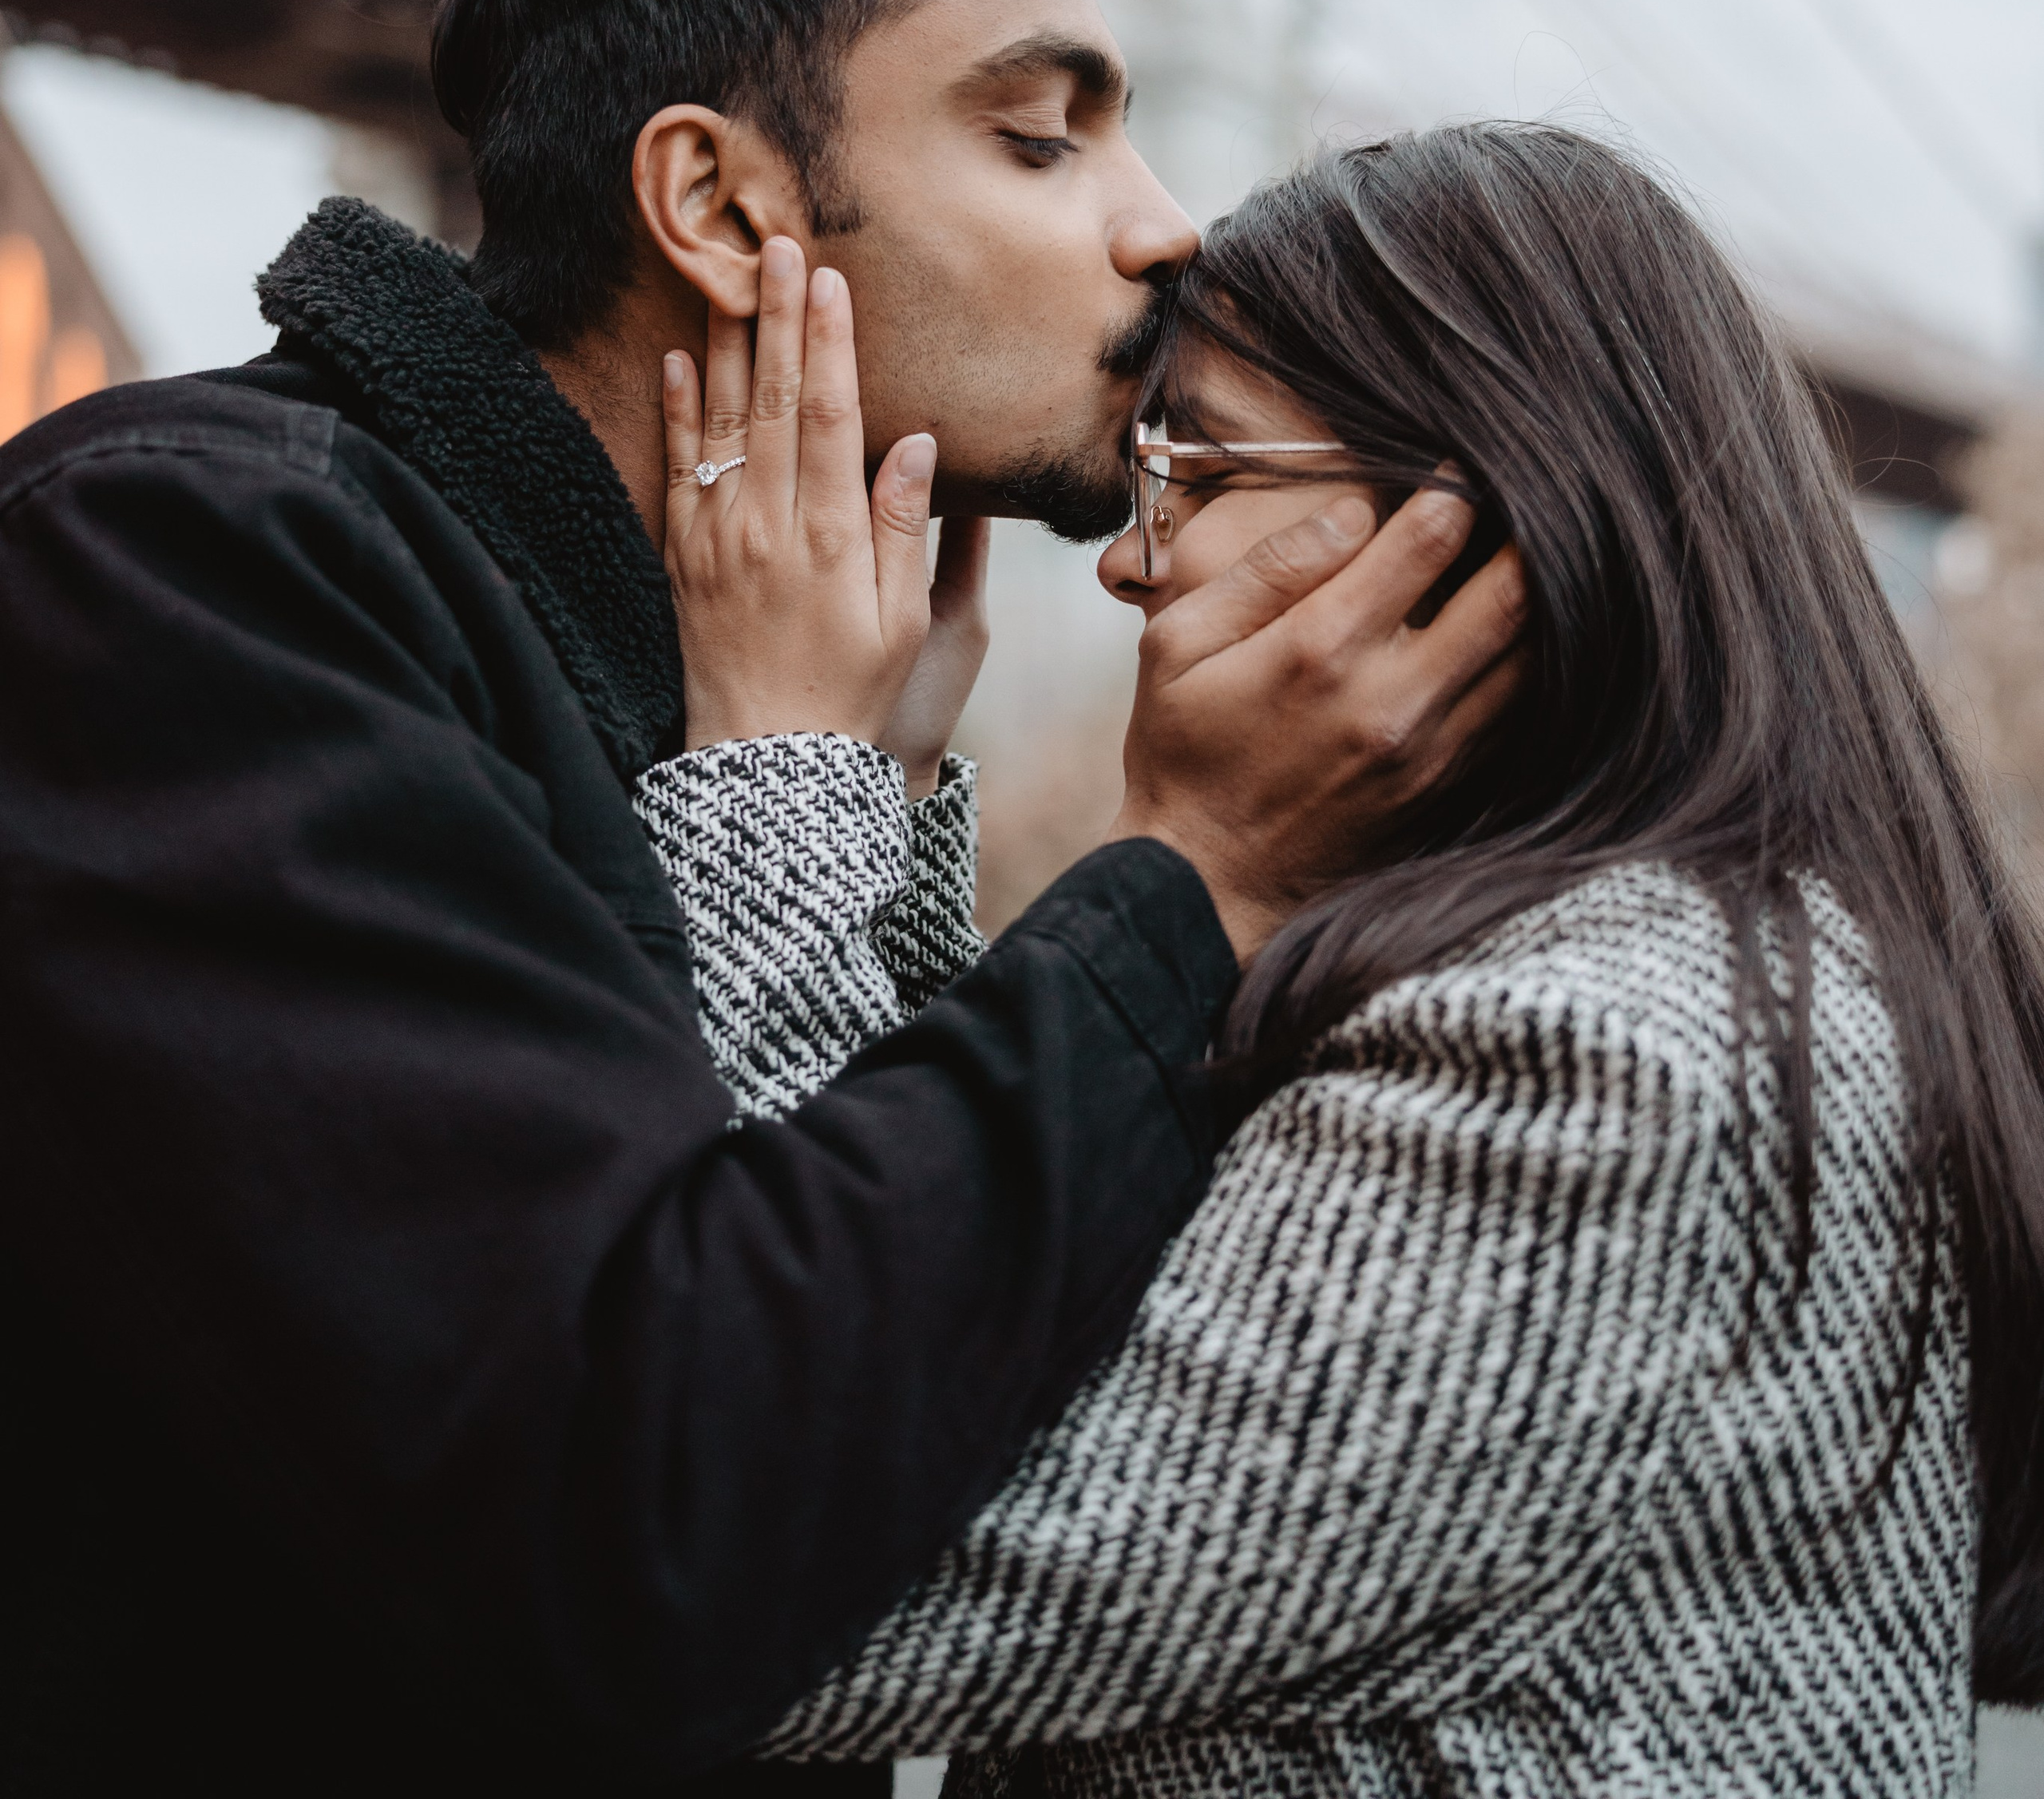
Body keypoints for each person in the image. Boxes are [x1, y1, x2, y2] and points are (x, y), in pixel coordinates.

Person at [0, 0, 1523, 1799]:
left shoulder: (678, 677)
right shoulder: (183, 584)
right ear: (719, 208)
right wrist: (1200, 869)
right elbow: (658, 1517)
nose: (1163, 227)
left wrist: (852, 787)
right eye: (1042, 135)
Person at [644, 125, 2044, 1793]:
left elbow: (784, 1590)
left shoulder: (1598, 1057)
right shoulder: (1668, 962)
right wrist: (885, 789)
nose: (1125, 553)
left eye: (1200, 474)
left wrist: (779, 764)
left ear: (1473, 531)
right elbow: (1015, 1291)